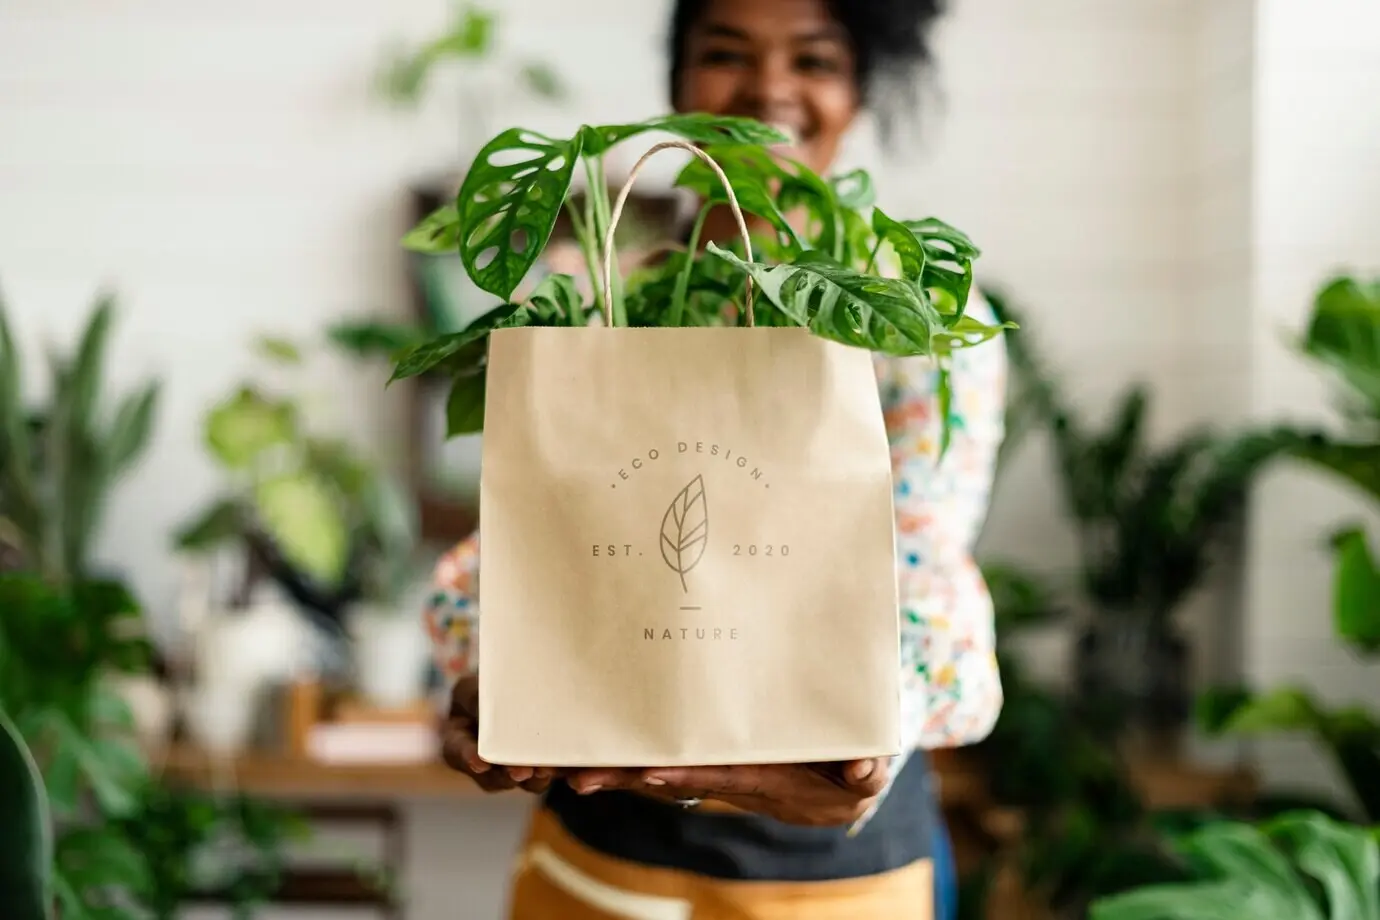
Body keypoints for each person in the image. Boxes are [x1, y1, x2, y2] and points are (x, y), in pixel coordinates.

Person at [422, 0, 1007, 917]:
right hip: (604, 846)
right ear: (678, 87)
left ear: (858, 93)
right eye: (727, 53)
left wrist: (862, 743)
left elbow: (918, 554)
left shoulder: (911, 312)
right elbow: (543, 543)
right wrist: (497, 672)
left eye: (813, 60)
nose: (770, 87)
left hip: (834, 870)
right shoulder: (603, 300)